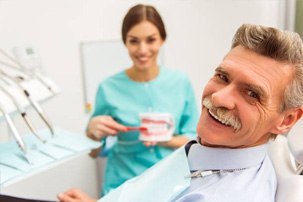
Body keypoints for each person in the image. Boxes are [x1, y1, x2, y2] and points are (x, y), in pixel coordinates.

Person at [58, 24, 303, 202]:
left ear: (287, 120)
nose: (218, 97)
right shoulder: (207, 150)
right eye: (222, 76)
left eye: (251, 94)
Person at [85, 4, 198, 196]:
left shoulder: (180, 82)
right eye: (134, 41)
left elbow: (195, 141)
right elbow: (93, 152)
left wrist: (165, 139)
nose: (142, 49)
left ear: (162, 39)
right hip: (122, 187)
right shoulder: (108, 87)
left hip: (172, 185)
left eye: (151, 40)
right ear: (125, 43)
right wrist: (92, 133)